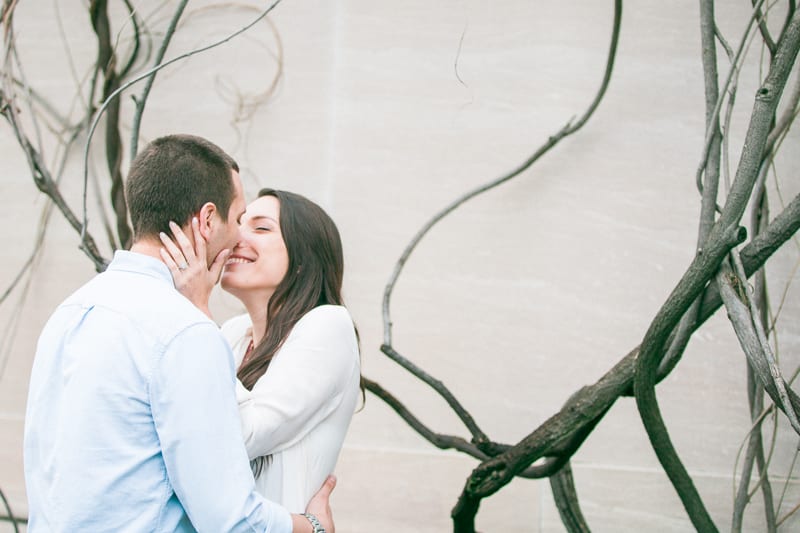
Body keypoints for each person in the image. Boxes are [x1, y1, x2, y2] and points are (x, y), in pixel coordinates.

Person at [23, 134, 334, 533]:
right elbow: (230, 520)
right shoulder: (185, 332)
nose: (240, 237)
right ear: (206, 220)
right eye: (238, 219)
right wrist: (312, 526)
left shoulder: (68, 313)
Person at [160, 188, 362, 513]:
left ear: (303, 256)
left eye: (261, 227)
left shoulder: (328, 324)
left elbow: (240, 435)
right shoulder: (233, 334)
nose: (237, 235)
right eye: (240, 222)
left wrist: (196, 308)